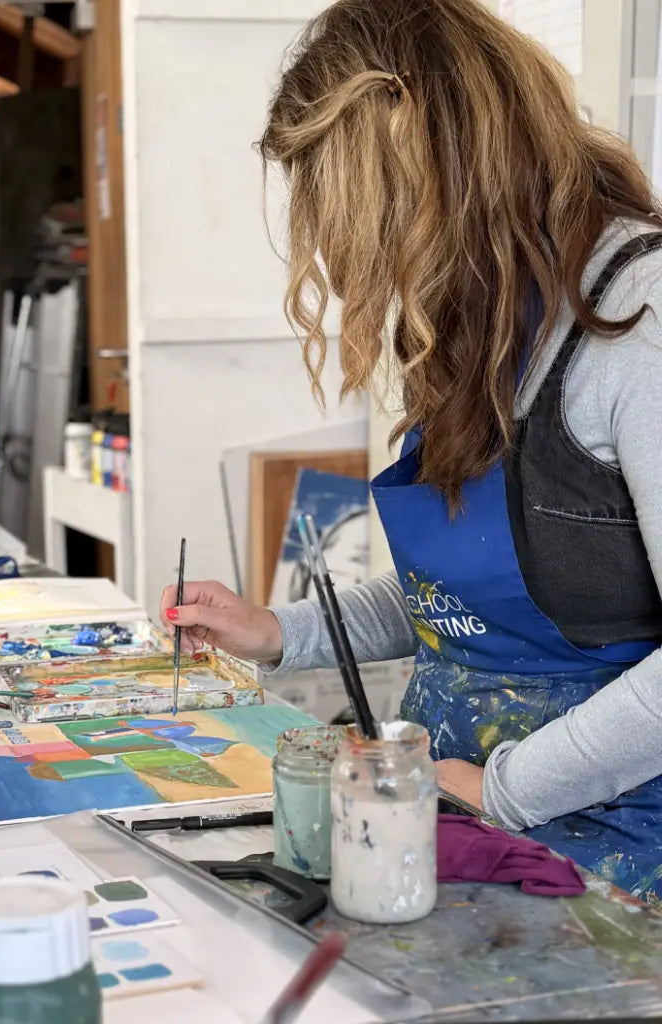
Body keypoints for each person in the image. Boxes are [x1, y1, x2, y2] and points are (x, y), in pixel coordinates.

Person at [161, 0, 662, 902]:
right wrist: (283, 633)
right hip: (450, 819)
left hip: (619, 856)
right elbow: (471, 599)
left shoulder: (639, 324)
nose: (379, 269)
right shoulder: (484, 309)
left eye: (371, 223)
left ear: (419, 150)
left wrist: (509, 787)